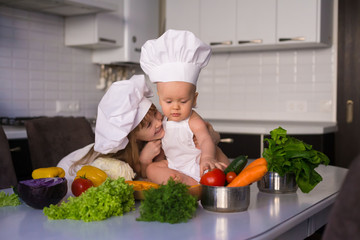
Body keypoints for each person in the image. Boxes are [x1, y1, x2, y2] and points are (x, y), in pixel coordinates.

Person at [57, 74, 223, 193]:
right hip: (70, 173)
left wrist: (213, 137)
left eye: (157, 114)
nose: (159, 122)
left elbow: (205, 133)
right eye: (150, 124)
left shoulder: (167, 123)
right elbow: (141, 175)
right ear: (133, 136)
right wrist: (144, 159)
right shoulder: (123, 153)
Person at [140, 29, 229, 186]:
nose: (175, 107)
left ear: (194, 100)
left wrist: (207, 157)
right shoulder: (163, 123)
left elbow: (206, 139)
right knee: (152, 169)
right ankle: (184, 181)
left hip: (199, 163)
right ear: (160, 100)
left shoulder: (193, 120)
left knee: (221, 163)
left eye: (183, 101)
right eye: (168, 102)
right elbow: (164, 151)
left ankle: (194, 182)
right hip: (175, 166)